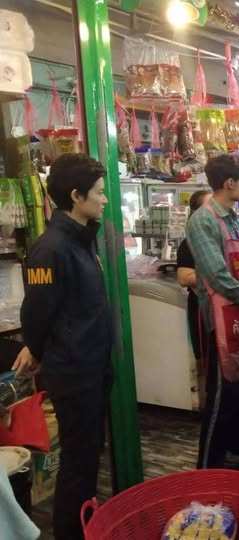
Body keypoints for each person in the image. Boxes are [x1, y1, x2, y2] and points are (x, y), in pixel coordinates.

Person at [13, 153, 112, 540]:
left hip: (92, 365)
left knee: (88, 457)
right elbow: (36, 312)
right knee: (77, 461)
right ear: (75, 196)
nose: (104, 199)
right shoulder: (50, 249)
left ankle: (85, 524)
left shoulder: (82, 238)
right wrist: (36, 349)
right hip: (73, 371)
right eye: (99, 192)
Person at [186, 155, 239, 469]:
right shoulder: (203, 220)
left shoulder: (232, 218)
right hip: (219, 322)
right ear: (230, 183)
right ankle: (207, 468)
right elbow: (216, 276)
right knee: (219, 399)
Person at [177, 189, 212, 360]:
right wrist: (220, 277)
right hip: (202, 307)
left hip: (223, 308)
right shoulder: (190, 242)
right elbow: (184, 278)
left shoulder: (219, 236)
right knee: (206, 358)